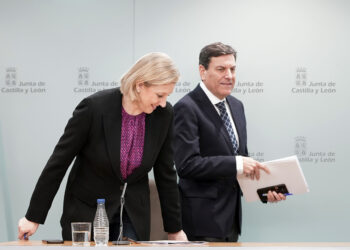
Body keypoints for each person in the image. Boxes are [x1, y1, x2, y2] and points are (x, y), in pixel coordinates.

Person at [18, 52, 187, 241]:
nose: (163, 103)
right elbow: (58, 163)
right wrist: (33, 217)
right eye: (160, 95)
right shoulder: (94, 108)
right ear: (140, 85)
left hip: (132, 215)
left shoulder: (164, 115)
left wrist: (175, 229)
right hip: (88, 212)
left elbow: (166, 173)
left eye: (167, 96)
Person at [173, 42, 285, 242]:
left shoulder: (237, 106)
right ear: (202, 71)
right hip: (201, 221)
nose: (229, 75)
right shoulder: (186, 107)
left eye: (232, 69)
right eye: (221, 69)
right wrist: (237, 163)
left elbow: (243, 164)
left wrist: (265, 191)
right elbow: (187, 165)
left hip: (231, 221)